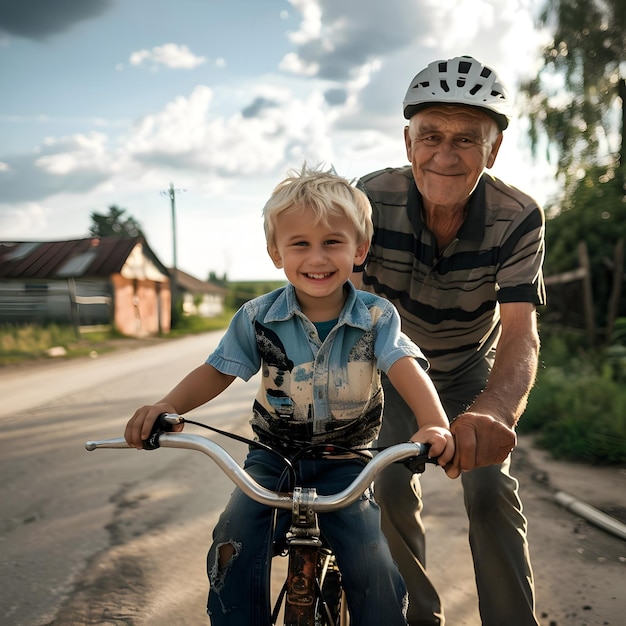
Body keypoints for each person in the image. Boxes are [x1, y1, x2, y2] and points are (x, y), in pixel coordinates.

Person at [124, 166, 456, 626]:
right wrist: (167, 407)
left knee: (373, 560)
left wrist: (434, 422)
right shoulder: (258, 316)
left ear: (359, 250)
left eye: (332, 242)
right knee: (232, 541)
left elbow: (403, 365)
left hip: (347, 464)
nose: (316, 257)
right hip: (270, 458)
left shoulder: (378, 317)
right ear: (275, 252)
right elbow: (219, 370)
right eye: (299, 243)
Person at [353, 55, 546, 626]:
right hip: (389, 366)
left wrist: (495, 410)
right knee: (383, 484)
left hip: (468, 369)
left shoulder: (518, 215)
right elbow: (343, 303)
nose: (445, 154)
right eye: (430, 135)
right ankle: (415, 618)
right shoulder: (367, 199)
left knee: (489, 494)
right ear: (408, 140)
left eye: (467, 139)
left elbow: (519, 331)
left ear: (494, 150)